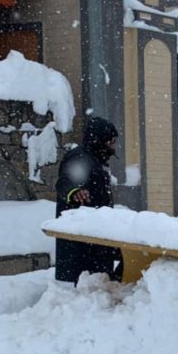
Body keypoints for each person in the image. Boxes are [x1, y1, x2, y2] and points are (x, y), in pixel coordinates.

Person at [54, 116, 122, 283]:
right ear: (99, 140)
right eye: (111, 141)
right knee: (86, 284)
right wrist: (74, 191)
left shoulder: (96, 159)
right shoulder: (80, 157)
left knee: (99, 280)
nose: (114, 145)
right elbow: (64, 182)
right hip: (82, 241)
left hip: (95, 233)